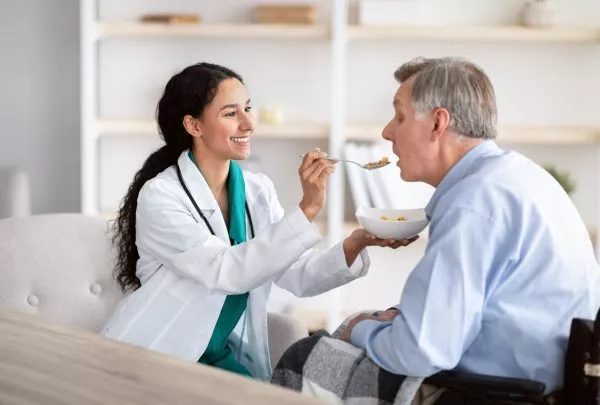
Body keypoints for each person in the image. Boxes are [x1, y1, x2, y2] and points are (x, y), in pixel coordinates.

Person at [271, 57, 600, 402]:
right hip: (546, 379)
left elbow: (421, 351)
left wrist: (360, 328)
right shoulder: (517, 176)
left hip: (491, 393)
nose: (387, 132)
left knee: (304, 357)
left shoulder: (473, 202)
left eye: (399, 116)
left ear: (437, 123)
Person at [100, 62, 417, 381]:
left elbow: (299, 275)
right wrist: (306, 210)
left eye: (248, 108)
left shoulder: (257, 191)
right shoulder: (161, 196)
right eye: (230, 113)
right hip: (156, 358)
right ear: (194, 126)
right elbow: (228, 271)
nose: (249, 123)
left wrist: (357, 241)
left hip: (215, 358)